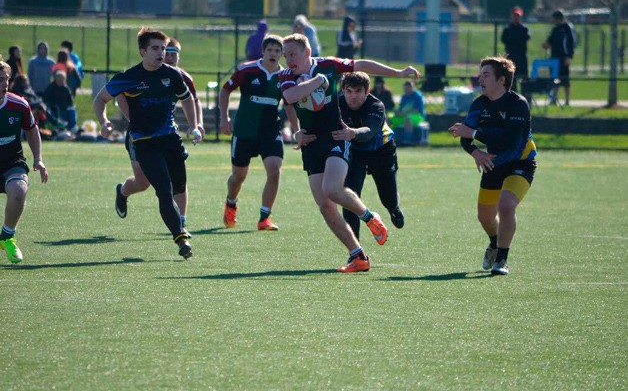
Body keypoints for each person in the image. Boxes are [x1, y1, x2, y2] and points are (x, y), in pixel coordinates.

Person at [279, 33, 419, 272]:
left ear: (307, 53)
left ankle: (369, 217)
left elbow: (362, 64)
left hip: (336, 136)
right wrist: (298, 130)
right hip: (311, 144)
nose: (288, 59)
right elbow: (290, 98)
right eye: (285, 55)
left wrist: (396, 73)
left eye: (293, 54)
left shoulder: (327, 65)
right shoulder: (286, 76)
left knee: (332, 189)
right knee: (325, 205)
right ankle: (358, 256)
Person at [94, 27, 203, 260]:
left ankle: (179, 223)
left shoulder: (173, 74)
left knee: (179, 187)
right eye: (155, 48)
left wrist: (193, 125)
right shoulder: (129, 77)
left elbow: (187, 99)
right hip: (144, 140)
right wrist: (103, 122)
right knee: (162, 189)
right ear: (142, 51)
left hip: (170, 139)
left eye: (163, 48)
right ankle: (180, 237)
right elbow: (101, 99)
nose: (161, 53)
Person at [448, 56, 537, 276]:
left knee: (506, 206)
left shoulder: (518, 104)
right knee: (485, 217)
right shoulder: (479, 104)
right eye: (480, 74)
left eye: (486, 75)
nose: (480, 79)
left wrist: (475, 134)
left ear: (502, 80)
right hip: (493, 164)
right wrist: (476, 152)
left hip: (521, 162)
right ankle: (494, 243)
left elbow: (509, 140)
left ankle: (501, 260)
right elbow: (464, 136)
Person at [113, 37, 203, 229]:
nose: (167, 57)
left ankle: (181, 222)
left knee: (178, 176)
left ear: (178, 56)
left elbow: (193, 100)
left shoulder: (180, 76)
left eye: (172, 54)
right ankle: (122, 192)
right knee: (143, 183)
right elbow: (118, 94)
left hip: (167, 133)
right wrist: (132, 118)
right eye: (164, 51)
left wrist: (196, 124)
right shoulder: (139, 73)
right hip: (141, 134)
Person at [220, 35, 296, 231]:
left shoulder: (285, 76)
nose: (273, 54)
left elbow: (289, 104)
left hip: (270, 131)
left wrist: (297, 130)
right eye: (269, 50)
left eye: (277, 51)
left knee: (274, 169)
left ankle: (264, 218)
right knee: (238, 177)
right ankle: (231, 202)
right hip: (244, 131)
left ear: (282, 54)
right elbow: (225, 90)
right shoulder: (247, 70)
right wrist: (224, 118)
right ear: (263, 51)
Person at [333, 72, 405, 243]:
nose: (353, 96)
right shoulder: (336, 104)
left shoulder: (376, 106)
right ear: (343, 90)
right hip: (355, 152)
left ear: (367, 91)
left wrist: (353, 132)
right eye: (349, 91)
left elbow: (368, 132)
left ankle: (393, 209)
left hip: (382, 150)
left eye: (358, 91)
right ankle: (355, 251)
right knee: (350, 196)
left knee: (388, 198)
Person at [0, 57, 49, 263]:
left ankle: (7, 237)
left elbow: (31, 129)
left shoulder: (18, 104)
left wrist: (38, 159)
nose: (3, 83)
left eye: (5, 79)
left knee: (19, 192)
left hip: (12, 161)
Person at [542, 10, 576, 106]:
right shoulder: (555, 29)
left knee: (565, 79)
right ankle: (553, 99)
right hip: (554, 58)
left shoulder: (566, 28)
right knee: (554, 79)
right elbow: (550, 42)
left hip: (564, 58)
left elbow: (571, 43)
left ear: (558, 18)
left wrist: (569, 56)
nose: (552, 20)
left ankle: (567, 100)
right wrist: (545, 45)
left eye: (553, 18)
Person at [501, 6, 530, 91]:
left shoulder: (524, 29)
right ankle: (513, 100)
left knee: (524, 80)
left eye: (518, 16)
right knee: (511, 80)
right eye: (514, 15)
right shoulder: (507, 29)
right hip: (510, 58)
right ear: (511, 16)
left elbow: (526, 37)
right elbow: (504, 40)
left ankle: (526, 99)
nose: (516, 17)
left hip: (521, 58)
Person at [397, 80, 425, 144]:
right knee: (389, 120)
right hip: (404, 116)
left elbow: (416, 111)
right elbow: (400, 108)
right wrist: (398, 113)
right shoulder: (404, 96)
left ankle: (407, 140)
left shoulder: (417, 96)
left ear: (412, 87)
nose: (405, 90)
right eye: (404, 88)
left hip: (418, 116)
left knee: (407, 119)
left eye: (407, 88)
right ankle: (388, 140)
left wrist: (403, 113)